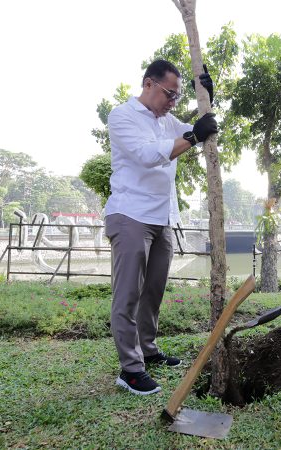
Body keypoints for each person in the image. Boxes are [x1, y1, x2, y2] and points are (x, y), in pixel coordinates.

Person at [104, 59, 218, 395]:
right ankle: (130, 368)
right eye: (169, 94)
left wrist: (209, 97)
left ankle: (148, 350)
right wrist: (193, 134)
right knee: (127, 294)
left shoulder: (167, 120)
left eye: (177, 97)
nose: (172, 102)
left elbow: (200, 127)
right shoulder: (122, 116)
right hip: (130, 216)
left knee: (152, 292)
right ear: (148, 84)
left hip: (162, 218)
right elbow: (147, 155)